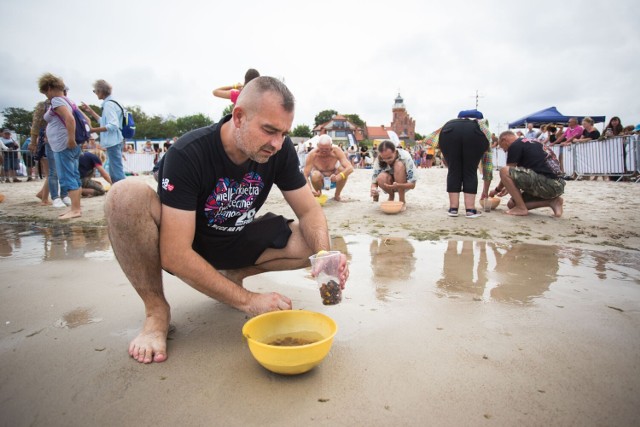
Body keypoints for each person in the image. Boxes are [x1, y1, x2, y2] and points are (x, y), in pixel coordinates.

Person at [104, 76, 349, 364]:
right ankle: (156, 312)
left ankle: (231, 276)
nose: (276, 143)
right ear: (239, 116)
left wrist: (323, 255)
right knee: (123, 196)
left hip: (235, 239)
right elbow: (174, 253)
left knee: (313, 240)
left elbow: (310, 212)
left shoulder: (278, 150)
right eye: (269, 130)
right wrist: (249, 301)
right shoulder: (189, 153)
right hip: (189, 243)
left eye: (284, 133)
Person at [38, 73, 82, 219]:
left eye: (45, 92)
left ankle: (75, 210)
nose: (46, 96)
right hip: (69, 144)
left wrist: (70, 139)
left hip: (63, 145)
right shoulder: (68, 100)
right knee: (74, 175)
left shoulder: (57, 100)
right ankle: (76, 207)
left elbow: (69, 119)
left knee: (67, 177)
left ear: (50, 88)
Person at [489, 130, 565, 217]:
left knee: (504, 170)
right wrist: (509, 186)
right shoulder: (531, 141)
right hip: (558, 184)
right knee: (512, 204)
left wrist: (496, 190)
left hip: (549, 183)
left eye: (503, 148)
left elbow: (508, 171)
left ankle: (521, 208)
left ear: (504, 140)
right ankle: (553, 202)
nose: (505, 151)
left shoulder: (515, 145)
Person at [437, 109, 492, 218]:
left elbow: (444, 158)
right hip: (475, 134)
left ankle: (453, 209)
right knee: (470, 171)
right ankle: (470, 210)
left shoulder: (451, 122)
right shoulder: (481, 127)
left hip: (449, 131)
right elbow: (487, 163)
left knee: (453, 171)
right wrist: (486, 190)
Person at [80, 79, 126, 183]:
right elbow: (103, 121)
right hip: (116, 140)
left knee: (116, 172)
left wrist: (92, 130)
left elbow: (113, 125)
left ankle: (121, 194)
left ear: (101, 91)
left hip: (113, 141)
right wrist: (90, 111)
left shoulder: (108, 104)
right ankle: (119, 192)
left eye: (95, 91)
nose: (95, 93)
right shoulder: (114, 102)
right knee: (115, 170)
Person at [303, 134, 353, 201]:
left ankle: (337, 195)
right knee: (315, 174)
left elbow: (350, 168)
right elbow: (305, 175)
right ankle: (318, 195)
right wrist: (310, 189)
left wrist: (339, 176)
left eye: (327, 149)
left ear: (331, 146)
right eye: (321, 149)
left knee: (342, 169)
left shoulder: (336, 151)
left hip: (334, 178)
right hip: (319, 180)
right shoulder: (313, 154)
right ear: (317, 145)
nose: (324, 151)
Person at [370, 140, 416, 210]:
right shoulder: (379, 159)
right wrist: (374, 190)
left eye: (389, 158)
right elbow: (374, 182)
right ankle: (391, 196)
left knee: (399, 165)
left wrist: (398, 185)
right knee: (381, 177)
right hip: (389, 183)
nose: (387, 161)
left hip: (403, 183)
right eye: (384, 158)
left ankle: (402, 200)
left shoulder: (406, 157)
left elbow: (412, 185)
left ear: (395, 151)